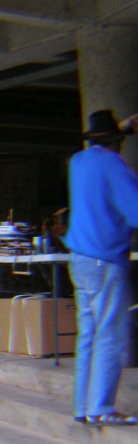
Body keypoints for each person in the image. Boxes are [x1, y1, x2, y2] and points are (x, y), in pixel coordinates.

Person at [66, 109, 138, 426]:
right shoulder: (113, 163)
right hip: (105, 260)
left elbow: (104, 144)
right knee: (112, 334)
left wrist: (122, 128)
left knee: (89, 334)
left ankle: (83, 407)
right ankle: (102, 408)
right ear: (117, 142)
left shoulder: (78, 162)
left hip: (80, 261)